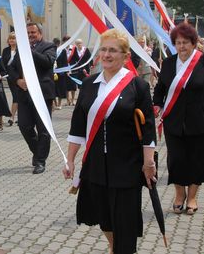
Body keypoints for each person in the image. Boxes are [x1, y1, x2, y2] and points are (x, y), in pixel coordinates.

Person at [62, 29, 156, 254]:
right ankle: (114, 246)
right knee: (103, 216)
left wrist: (149, 162)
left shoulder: (138, 86)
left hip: (127, 164)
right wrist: (71, 160)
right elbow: (77, 127)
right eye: (103, 49)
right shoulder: (89, 84)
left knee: (125, 219)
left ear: (125, 56)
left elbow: (148, 129)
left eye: (113, 50)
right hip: (95, 164)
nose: (106, 54)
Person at [153, 22, 204, 215]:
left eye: (185, 42)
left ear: (194, 43)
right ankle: (179, 195)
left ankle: (192, 197)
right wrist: (157, 104)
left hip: (200, 120)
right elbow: (160, 88)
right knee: (176, 160)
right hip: (173, 122)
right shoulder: (168, 63)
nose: (182, 46)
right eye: (178, 42)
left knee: (197, 159)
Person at [7, 23, 57, 174]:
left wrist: (30, 51)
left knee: (43, 130)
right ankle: (37, 151)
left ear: (40, 33)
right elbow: (11, 68)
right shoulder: (20, 49)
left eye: (33, 32)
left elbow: (47, 62)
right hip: (25, 94)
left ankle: (40, 161)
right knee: (24, 126)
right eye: (28, 33)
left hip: (42, 94)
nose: (30, 35)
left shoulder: (49, 46)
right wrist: (17, 80)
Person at [1, 32, 19, 126]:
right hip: (9, 77)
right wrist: (3, 73)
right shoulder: (5, 50)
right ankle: (17, 116)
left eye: (13, 38)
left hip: (19, 76)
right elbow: (3, 63)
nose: (11, 40)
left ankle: (12, 117)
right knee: (16, 96)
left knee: (17, 96)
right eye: (10, 39)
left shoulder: (20, 50)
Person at [53, 37, 68, 111]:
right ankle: (55, 103)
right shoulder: (51, 50)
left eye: (57, 44)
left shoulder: (63, 51)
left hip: (61, 72)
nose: (56, 45)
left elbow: (65, 61)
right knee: (53, 88)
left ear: (59, 44)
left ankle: (59, 103)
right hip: (53, 72)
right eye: (55, 44)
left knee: (60, 88)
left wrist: (66, 70)